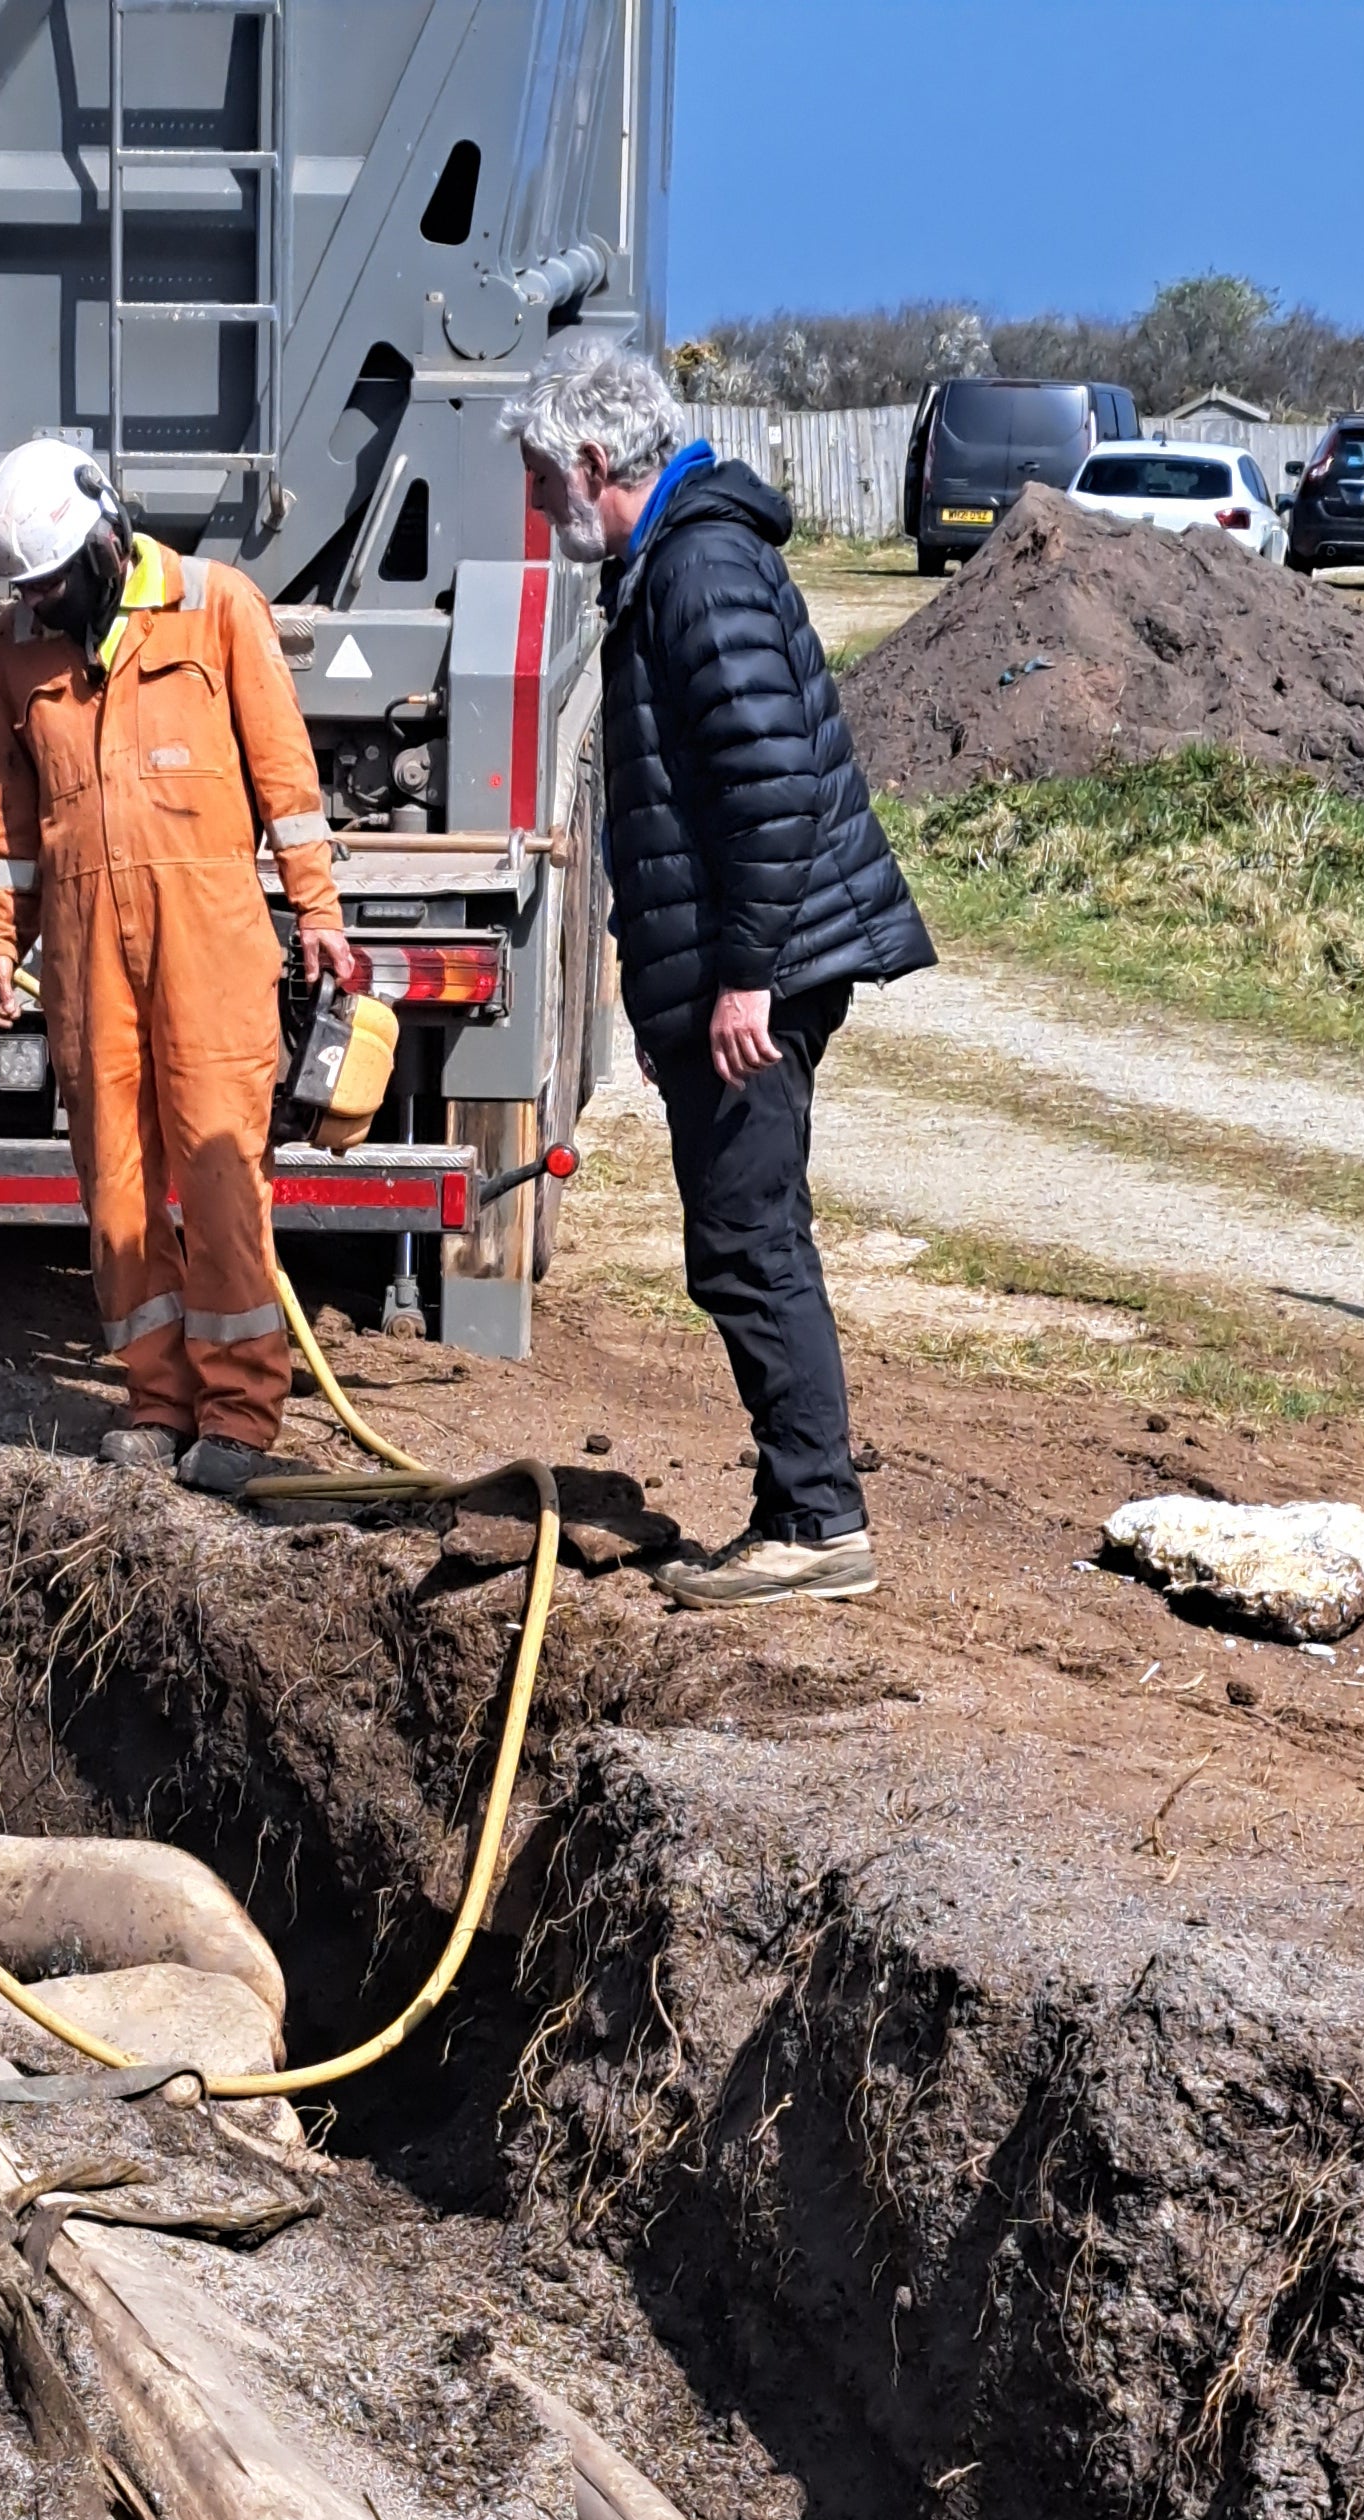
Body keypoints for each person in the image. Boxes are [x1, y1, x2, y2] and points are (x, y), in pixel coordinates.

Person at [506, 339, 932, 1609]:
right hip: (736, 971)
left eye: (541, 481)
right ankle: (798, 1506)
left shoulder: (699, 569)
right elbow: (682, 809)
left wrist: (739, 981)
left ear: (593, 461)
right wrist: (666, 993)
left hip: (769, 970)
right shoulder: (674, 562)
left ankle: (818, 1521)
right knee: (740, 1236)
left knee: (749, 1242)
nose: (537, 508)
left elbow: (773, 790)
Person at [0, 437, 359, 1493]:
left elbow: (287, 775)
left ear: (106, 533)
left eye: (51, 583)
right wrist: (1, 939)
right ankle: (156, 1396)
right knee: (117, 1180)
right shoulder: (16, 648)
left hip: (209, 933)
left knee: (222, 1169)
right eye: (25, 590)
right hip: (90, 949)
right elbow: (5, 818)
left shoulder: (219, 607)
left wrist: (316, 906)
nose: (40, 605)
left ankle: (239, 1410)